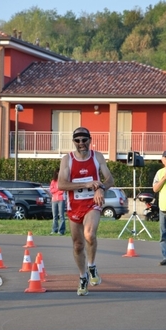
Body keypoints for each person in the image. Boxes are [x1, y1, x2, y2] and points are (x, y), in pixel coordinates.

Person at [58, 127, 114, 296]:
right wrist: (86, 184)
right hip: (74, 205)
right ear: (74, 142)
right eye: (78, 140)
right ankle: (82, 277)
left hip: (92, 203)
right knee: (78, 245)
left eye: (85, 140)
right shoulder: (67, 159)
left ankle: (92, 266)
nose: (81, 144)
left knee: (89, 235)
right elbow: (62, 185)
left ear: (90, 140)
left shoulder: (97, 157)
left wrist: (101, 188)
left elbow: (110, 179)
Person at [49, 167, 66, 235]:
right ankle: (54, 229)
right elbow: (51, 190)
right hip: (54, 200)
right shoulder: (53, 181)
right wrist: (58, 189)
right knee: (54, 216)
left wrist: (57, 190)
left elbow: (62, 190)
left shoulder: (63, 181)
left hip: (61, 199)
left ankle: (61, 230)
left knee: (61, 215)